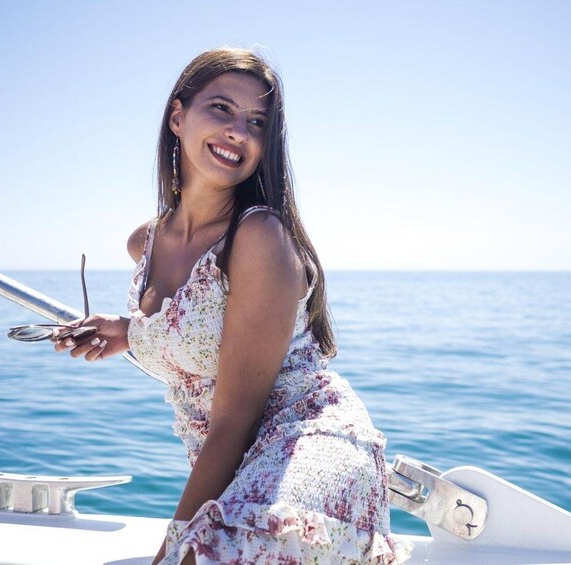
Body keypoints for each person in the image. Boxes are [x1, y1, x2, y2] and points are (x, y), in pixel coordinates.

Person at [53, 47, 411, 564]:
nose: (238, 131)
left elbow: (236, 418)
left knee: (209, 552)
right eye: (220, 108)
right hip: (241, 456)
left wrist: (172, 548)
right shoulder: (145, 244)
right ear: (178, 117)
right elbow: (200, 326)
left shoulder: (259, 236)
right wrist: (129, 330)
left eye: (257, 122)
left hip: (308, 439)